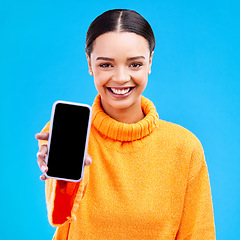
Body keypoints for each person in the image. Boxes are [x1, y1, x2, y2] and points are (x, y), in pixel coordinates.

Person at [35, 9, 216, 239]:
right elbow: (59, 217)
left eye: (134, 64)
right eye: (106, 65)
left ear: (150, 62)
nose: (121, 77)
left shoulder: (184, 147)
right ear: (90, 64)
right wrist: (63, 179)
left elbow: (199, 234)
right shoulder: (68, 131)